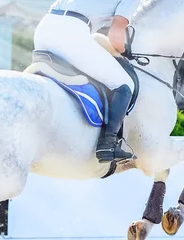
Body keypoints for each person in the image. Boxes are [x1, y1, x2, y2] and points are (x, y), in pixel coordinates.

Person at [33, 0, 143, 164]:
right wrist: (125, 51)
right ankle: (108, 144)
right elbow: (115, 36)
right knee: (124, 85)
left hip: (44, 28)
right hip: (71, 33)